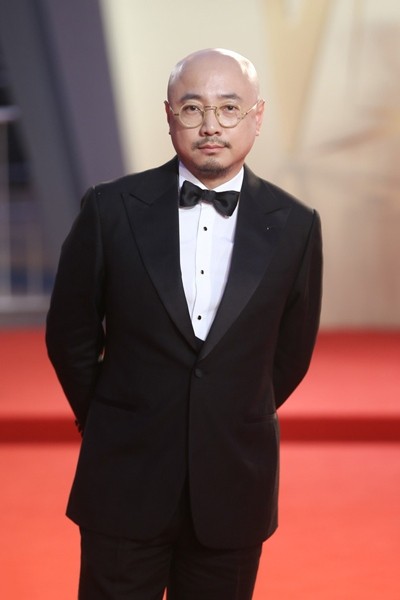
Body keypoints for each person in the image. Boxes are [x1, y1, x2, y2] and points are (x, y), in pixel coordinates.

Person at [46, 48, 323, 600]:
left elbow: (291, 353)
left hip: (234, 481)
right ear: (169, 116)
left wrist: (229, 409)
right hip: (124, 475)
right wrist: (108, 418)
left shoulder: (296, 224)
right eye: (193, 108)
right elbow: (70, 333)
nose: (211, 125)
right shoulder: (109, 208)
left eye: (229, 108)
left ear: (257, 117)